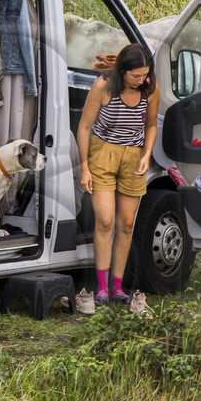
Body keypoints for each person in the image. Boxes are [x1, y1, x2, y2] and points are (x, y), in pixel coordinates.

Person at [78, 43, 159, 306]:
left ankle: (117, 287)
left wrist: (147, 154)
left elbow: (151, 124)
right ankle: (100, 288)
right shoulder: (103, 87)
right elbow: (85, 127)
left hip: (133, 156)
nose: (141, 80)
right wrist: (85, 167)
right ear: (122, 71)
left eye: (145, 75)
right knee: (105, 220)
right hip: (102, 153)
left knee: (125, 224)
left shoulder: (150, 89)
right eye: (136, 75)